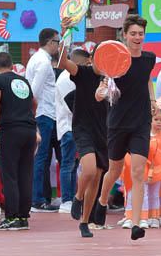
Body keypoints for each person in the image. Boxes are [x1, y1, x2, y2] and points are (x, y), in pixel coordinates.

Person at [95, 14, 157, 241]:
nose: (137, 37)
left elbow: (147, 79)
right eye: (133, 33)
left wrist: (152, 100)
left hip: (141, 123)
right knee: (114, 170)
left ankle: (137, 222)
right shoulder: (115, 60)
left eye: (140, 33)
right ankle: (102, 202)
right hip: (118, 123)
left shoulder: (149, 58)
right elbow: (101, 89)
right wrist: (101, 92)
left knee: (138, 172)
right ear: (124, 35)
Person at [57, 40, 109, 238]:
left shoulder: (110, 80)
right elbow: (62, 61)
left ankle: (85, 221)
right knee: (88, 169)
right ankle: (77, 196)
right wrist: (65, 37)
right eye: (99, 57)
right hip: (83, 129)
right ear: (91, 58)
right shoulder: (82, 73)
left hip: (103, 131)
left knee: (96, 176)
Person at [0, 52, 38, 231]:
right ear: (11, 64)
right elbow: (34, 103)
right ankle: (23, 217)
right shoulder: (23, 81)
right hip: (29, 129)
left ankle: (11, 217)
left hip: (11, 130)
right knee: (25, 173)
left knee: (9, 175)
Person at [25, 27, 61, 213]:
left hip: (45, 113)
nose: (58, 44)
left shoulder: (38, 59)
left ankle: (42, 197)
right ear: (49, 42)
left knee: (44, 157)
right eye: (57, 41)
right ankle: (37, 199)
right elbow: (34, 91)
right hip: (44, 113)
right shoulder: (43, 63)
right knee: (41, 157)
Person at [55, 48, 90, 216]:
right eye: (86, 64)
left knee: (74, 165)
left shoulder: (71, 77)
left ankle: (73, 198)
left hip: (74, 126)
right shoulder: (67, 79)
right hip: (69, 127)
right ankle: (66, 200)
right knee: (68, 164)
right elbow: (73, 105)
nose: (87, 68)